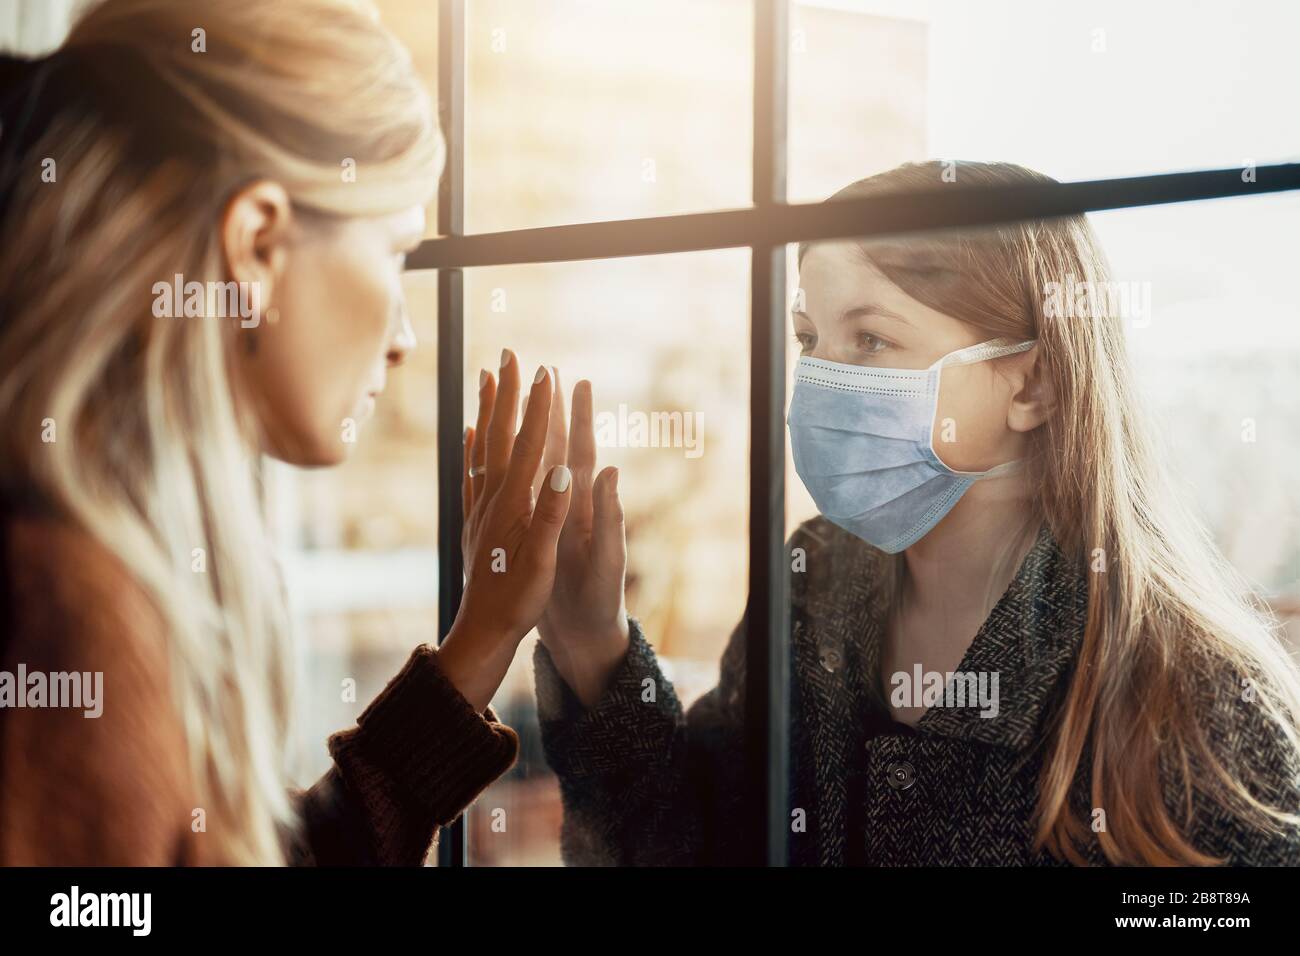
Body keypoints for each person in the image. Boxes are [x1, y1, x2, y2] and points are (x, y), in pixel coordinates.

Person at [528, 161, 1300, 866]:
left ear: (1031, 385)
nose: (821, 379)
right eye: (809, 338)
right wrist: (593, 641)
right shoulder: (815, 583)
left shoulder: (1200, 697)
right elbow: (690, 844)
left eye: (871, 338)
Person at [0, 0, 571, 865]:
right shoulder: (68, 618)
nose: (405, 339)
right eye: (394, 254)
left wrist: (480, 639)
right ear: (258, 245)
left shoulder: (99, 555)